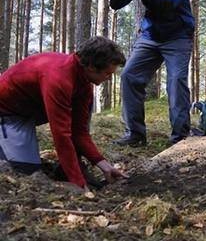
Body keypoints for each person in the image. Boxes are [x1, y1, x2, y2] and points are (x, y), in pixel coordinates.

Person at [0, 36, 128, 190]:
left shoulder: (84, 84)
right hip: (6, 112)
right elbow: (61, 134)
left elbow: (79, 132)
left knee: (85, 104)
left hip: (29, 110)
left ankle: (69, 167)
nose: (109, 78)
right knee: (24, 172)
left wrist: (104, 165)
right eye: (107, 74)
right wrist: (79, 184)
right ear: (92, 67)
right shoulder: (58, 78)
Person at [110, 0, 195, 146]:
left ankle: (180, 138)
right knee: (129, 76)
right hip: (150, 37)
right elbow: (116, 3)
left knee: (176, 83)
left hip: (178, 37)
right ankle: (135, 135)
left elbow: (163, 7)